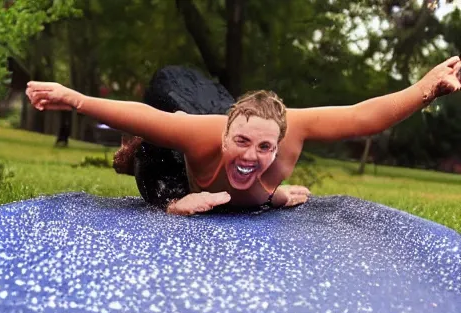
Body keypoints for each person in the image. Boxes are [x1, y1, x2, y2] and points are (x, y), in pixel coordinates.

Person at [26, 56, 461, 215]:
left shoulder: (290, 133)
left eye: (264, 147)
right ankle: (168, 192)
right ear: (224, 136)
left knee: (261, 181)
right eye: (241, 142)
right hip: (173, 168)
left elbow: (362, 116)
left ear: (280, 142)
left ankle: (267, 193)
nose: (251, 156)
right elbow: (140, 114)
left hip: (230, 120)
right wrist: (74, 97)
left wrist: (426, 89)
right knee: (166, 100)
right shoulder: (199, 134)